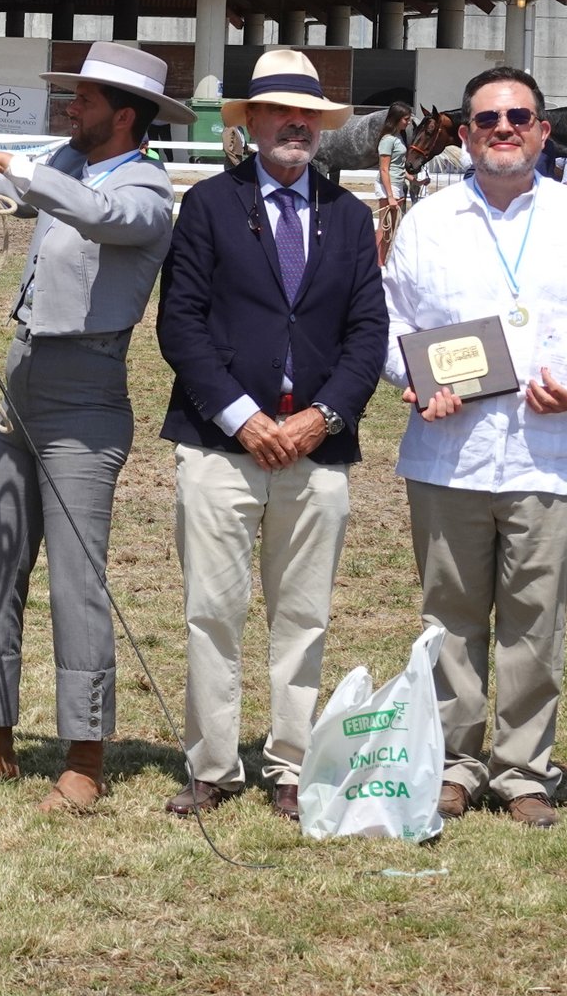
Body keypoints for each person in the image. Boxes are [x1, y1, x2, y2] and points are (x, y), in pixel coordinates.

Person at [0, 42, 181, 812]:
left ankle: (85, 756)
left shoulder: (145, 186)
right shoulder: (68, 164)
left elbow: (96, 215)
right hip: (22, 376)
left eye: (82, 101)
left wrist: (11, 165)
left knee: (79, 583)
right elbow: (3, 201)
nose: (68, 108)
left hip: (86, 393)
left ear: (122, 117)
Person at [384, 67, 567, 828]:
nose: (503, 128)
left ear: (541, 130)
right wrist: (413, 377)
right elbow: (389, 320)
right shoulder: (429, 222)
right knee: (450, 617)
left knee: (538, 618)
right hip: (448, 453)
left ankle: (524, 769)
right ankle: (453, 765)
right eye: (487, 119)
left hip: (550, 452)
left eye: (519, 116)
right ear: (465, 134)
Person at [154, 50, 389, 821]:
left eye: (309, 116)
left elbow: (368, 332)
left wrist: (322, 415)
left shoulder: (351, 218)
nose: (296, 126)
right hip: (222, 446)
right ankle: (213, 767)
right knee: (211, 612)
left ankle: (290, 763)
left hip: (317, 449)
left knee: (304, 615)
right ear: (251, 123)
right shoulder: (209, 206)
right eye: (280, 113)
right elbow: (180, 325)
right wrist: (243, 417)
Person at [374, 101, 414, 258]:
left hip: (396, 184)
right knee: (384, 225)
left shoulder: (399, 137)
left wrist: (413, 179)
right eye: (406, 119)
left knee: (391, 228)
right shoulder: (388, 140)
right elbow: (384, 168)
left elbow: (398, 166)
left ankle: (382, 260)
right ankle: (376, 262)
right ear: (397, 118)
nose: (408, 121)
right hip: (388, 186)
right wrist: (390, 195)